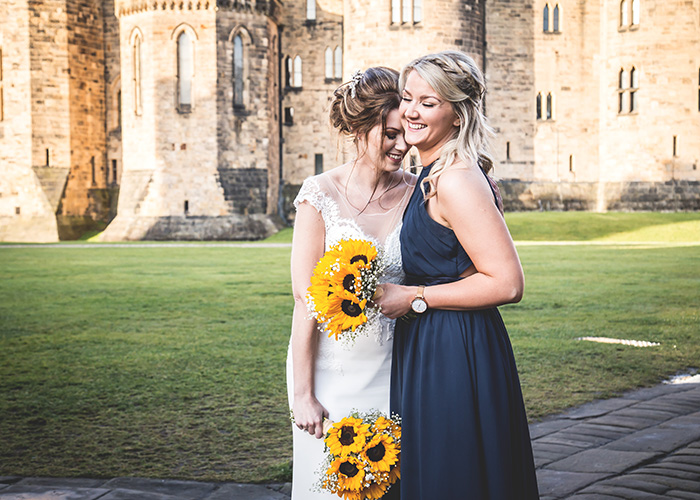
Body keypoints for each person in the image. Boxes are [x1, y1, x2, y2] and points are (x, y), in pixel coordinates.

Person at [375, 51, 540, 499]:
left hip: (455, 346)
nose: (410, 111)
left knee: (454, 473)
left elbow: (507, 282)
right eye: (407, 98)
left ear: (457, 113)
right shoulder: (429, 173)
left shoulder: (455, 180)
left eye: (428, 103)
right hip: (432, 341)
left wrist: (414, 297)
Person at [286, 67, 415, 499]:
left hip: (397, 370)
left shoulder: (420, 193)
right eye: (391, 134)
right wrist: (303, 393)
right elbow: (305, 298)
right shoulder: (319, 193)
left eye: (407, 134)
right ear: (360, 129)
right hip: (330, 374)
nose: (403, 146)